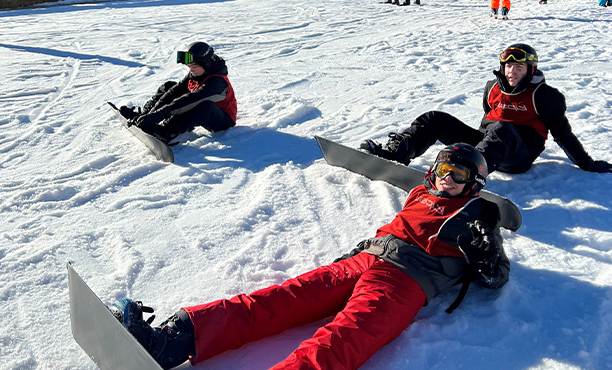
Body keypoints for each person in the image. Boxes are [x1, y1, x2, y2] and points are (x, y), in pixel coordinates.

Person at [109, 144, 510, 370]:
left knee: (342, 341)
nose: (446, 177)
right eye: (442, 168)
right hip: (366, 260)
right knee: (278, 300)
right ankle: (170, 340)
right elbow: (394, 230)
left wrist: (484, 248)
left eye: (458, 174)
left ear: (473, 183)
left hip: (406, 280)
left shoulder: (479, 213)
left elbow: (496, 275)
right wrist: (354, 254)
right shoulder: (421, 193)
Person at [360, 44, 612, 175]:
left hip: (519, 155)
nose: (512, 72)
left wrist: (587, 164)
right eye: (508, 67)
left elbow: (562, 134)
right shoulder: (493, 87)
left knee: (503, 128)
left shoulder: (546, 96)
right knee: (434, 118)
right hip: (488, 146)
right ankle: (397, 153)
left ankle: (466, 173)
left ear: (531, 70)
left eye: (519, 68)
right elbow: (486, 119)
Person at [120, 42, 236, 144]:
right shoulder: (198, 73)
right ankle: (144, 117)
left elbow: (190, 100)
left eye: (194, 66)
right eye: (189, 66)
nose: (191, 70)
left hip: (223, 120)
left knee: (203, 105)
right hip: (199, 104)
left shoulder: (217, 82)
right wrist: (151, 114)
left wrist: (160, 114)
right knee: (170, 86)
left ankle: (166, 132)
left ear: (206, 64)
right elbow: (175, 91)